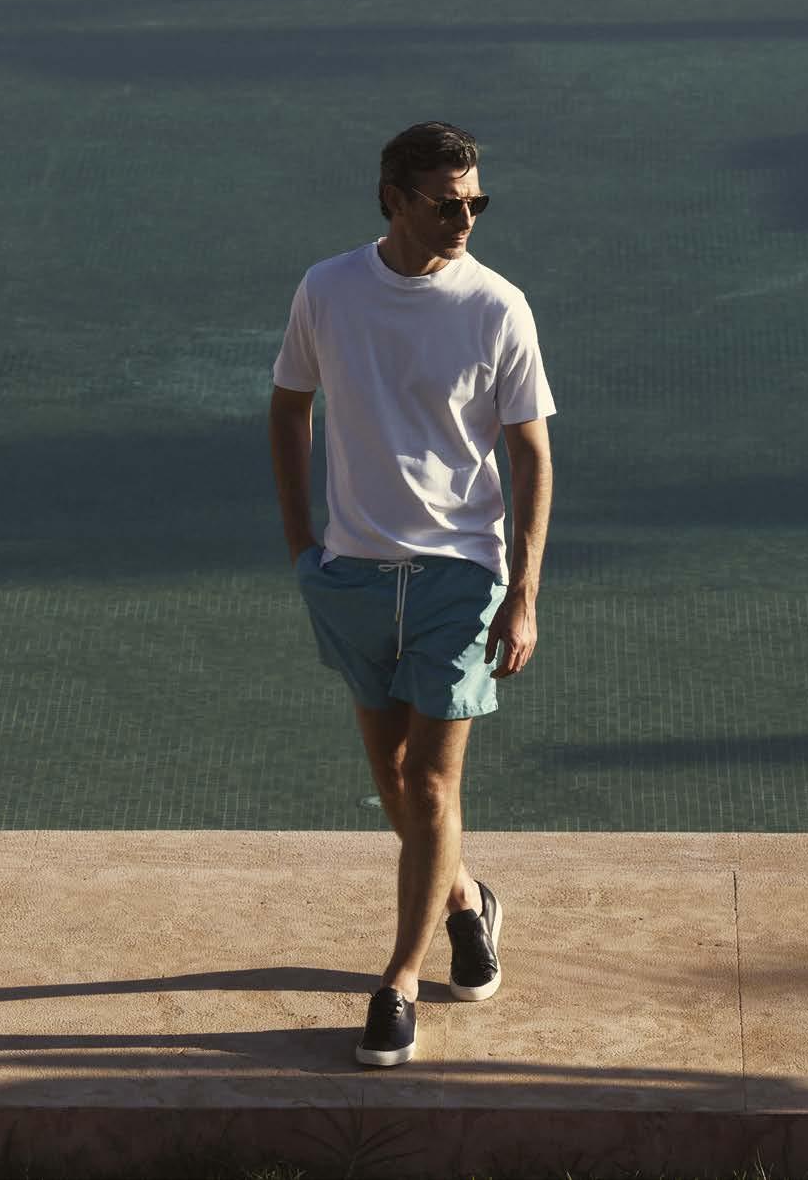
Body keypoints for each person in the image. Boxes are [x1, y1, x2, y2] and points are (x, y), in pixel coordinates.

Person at [269, 120, 556, 1067]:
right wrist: (302, 544)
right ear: (394, 199)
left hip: (459, 577)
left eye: (476, 202)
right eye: (446, 202)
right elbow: (289, 404)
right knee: (393, 779)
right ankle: (467, 900)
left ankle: (396, 980)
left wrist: (522, 591)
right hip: (352, 573)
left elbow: (531, 453)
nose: (465, 218)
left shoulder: (498, 305)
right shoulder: (328, 289)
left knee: (432, 780)